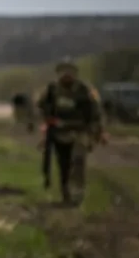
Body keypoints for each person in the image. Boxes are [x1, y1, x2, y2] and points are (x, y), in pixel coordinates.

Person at [36, 58, 107, 206]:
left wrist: (100, 132)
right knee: (64, 164)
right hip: (59, 133)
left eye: (69, 71)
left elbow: (96, 112)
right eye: (63, 71)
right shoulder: (51, 89)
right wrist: (45, 123)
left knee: (78, 160)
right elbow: (40, 106)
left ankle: (76, 194)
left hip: (80, 132)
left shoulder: (85, 90)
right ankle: (66, 194)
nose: (66, 74)